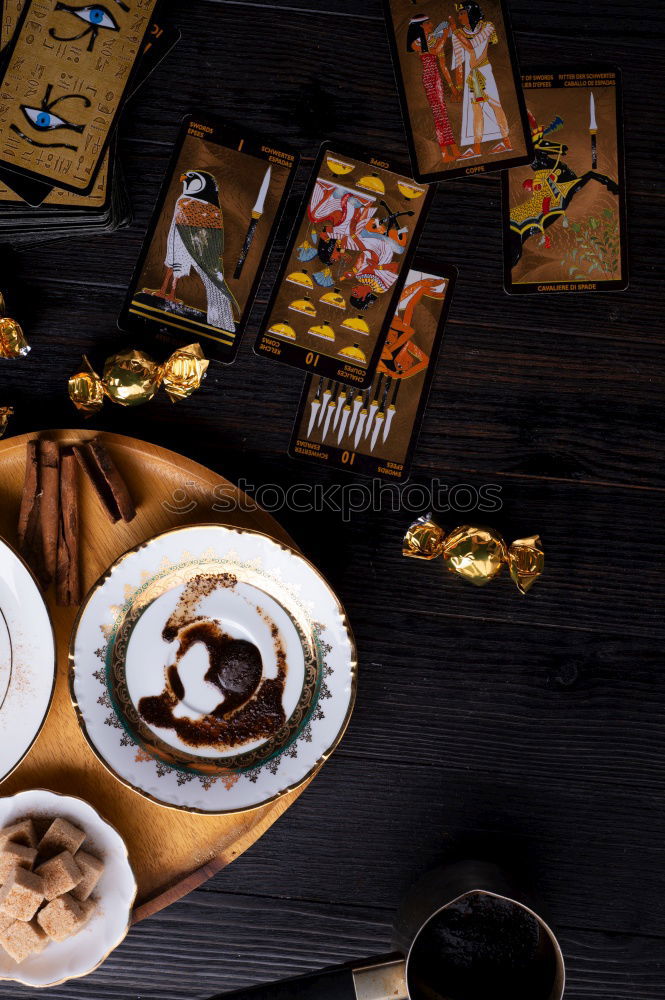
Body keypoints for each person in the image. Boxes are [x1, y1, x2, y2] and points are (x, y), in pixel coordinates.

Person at [450, 0, 512, 159]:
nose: (459, 17)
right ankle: (476, 149)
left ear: (471, 13)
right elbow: (459, 62)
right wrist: (457, 88)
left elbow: (473, 45)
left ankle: (507, 142)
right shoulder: (458, 34)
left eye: (462, 13)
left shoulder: (487, 26)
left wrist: (456, 33)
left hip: (484, 71)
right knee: (476, 111)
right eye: (458, 14)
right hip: (472, 76)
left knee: (495, 105)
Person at [406, 15, 462, 164]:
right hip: (429, 77)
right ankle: (445, 152)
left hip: (435, 77)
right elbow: (435, 51)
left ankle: (453, 149)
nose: (431, 24)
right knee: (439, 115)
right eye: (428, 23)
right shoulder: (416, 43)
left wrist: (450, 27)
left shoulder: (431, 38)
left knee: (442, 113)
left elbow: (443, 44)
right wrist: (444, 34)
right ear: (421, 26)